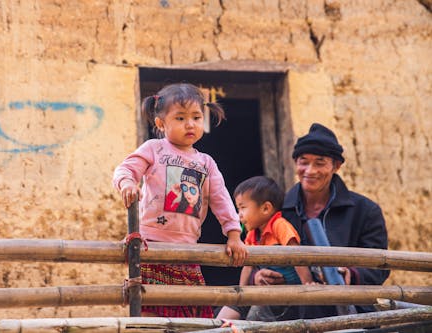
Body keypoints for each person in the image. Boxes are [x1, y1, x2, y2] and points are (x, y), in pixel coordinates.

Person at [113, 83, 248, 318]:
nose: (190, 124)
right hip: (151, 246)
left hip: (188, 250)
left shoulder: (206, 162)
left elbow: (221, 198)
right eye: (180, 118)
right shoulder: (154, 149)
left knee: (190, 315)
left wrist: (233, 234)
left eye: (196, 117)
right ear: (161, 123)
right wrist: (127, 183)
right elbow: (125, 169)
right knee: (150, 311)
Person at [279, 122, 389, 319]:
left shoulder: (365, 211)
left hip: (351, 314)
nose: (310, 170)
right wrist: (259, 276)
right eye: (304, 161)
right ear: (295, 163)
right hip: (290, 313)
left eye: (320, 163)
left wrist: (351, 275)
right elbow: (259, 248)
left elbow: (379, 268)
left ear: (336, 166)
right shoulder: (280, 209)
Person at [216, 176, 312, 321]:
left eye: (242, 208)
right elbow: (247, 267)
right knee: (230, 308)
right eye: (238, 209)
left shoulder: (279, 225)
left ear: (266, 208)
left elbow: (297, 256)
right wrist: (241, 293)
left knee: (257, 311)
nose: (239, 215)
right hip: (266, 291)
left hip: (288, 293)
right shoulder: (252, 235)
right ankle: (216, 328)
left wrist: (307, 285)